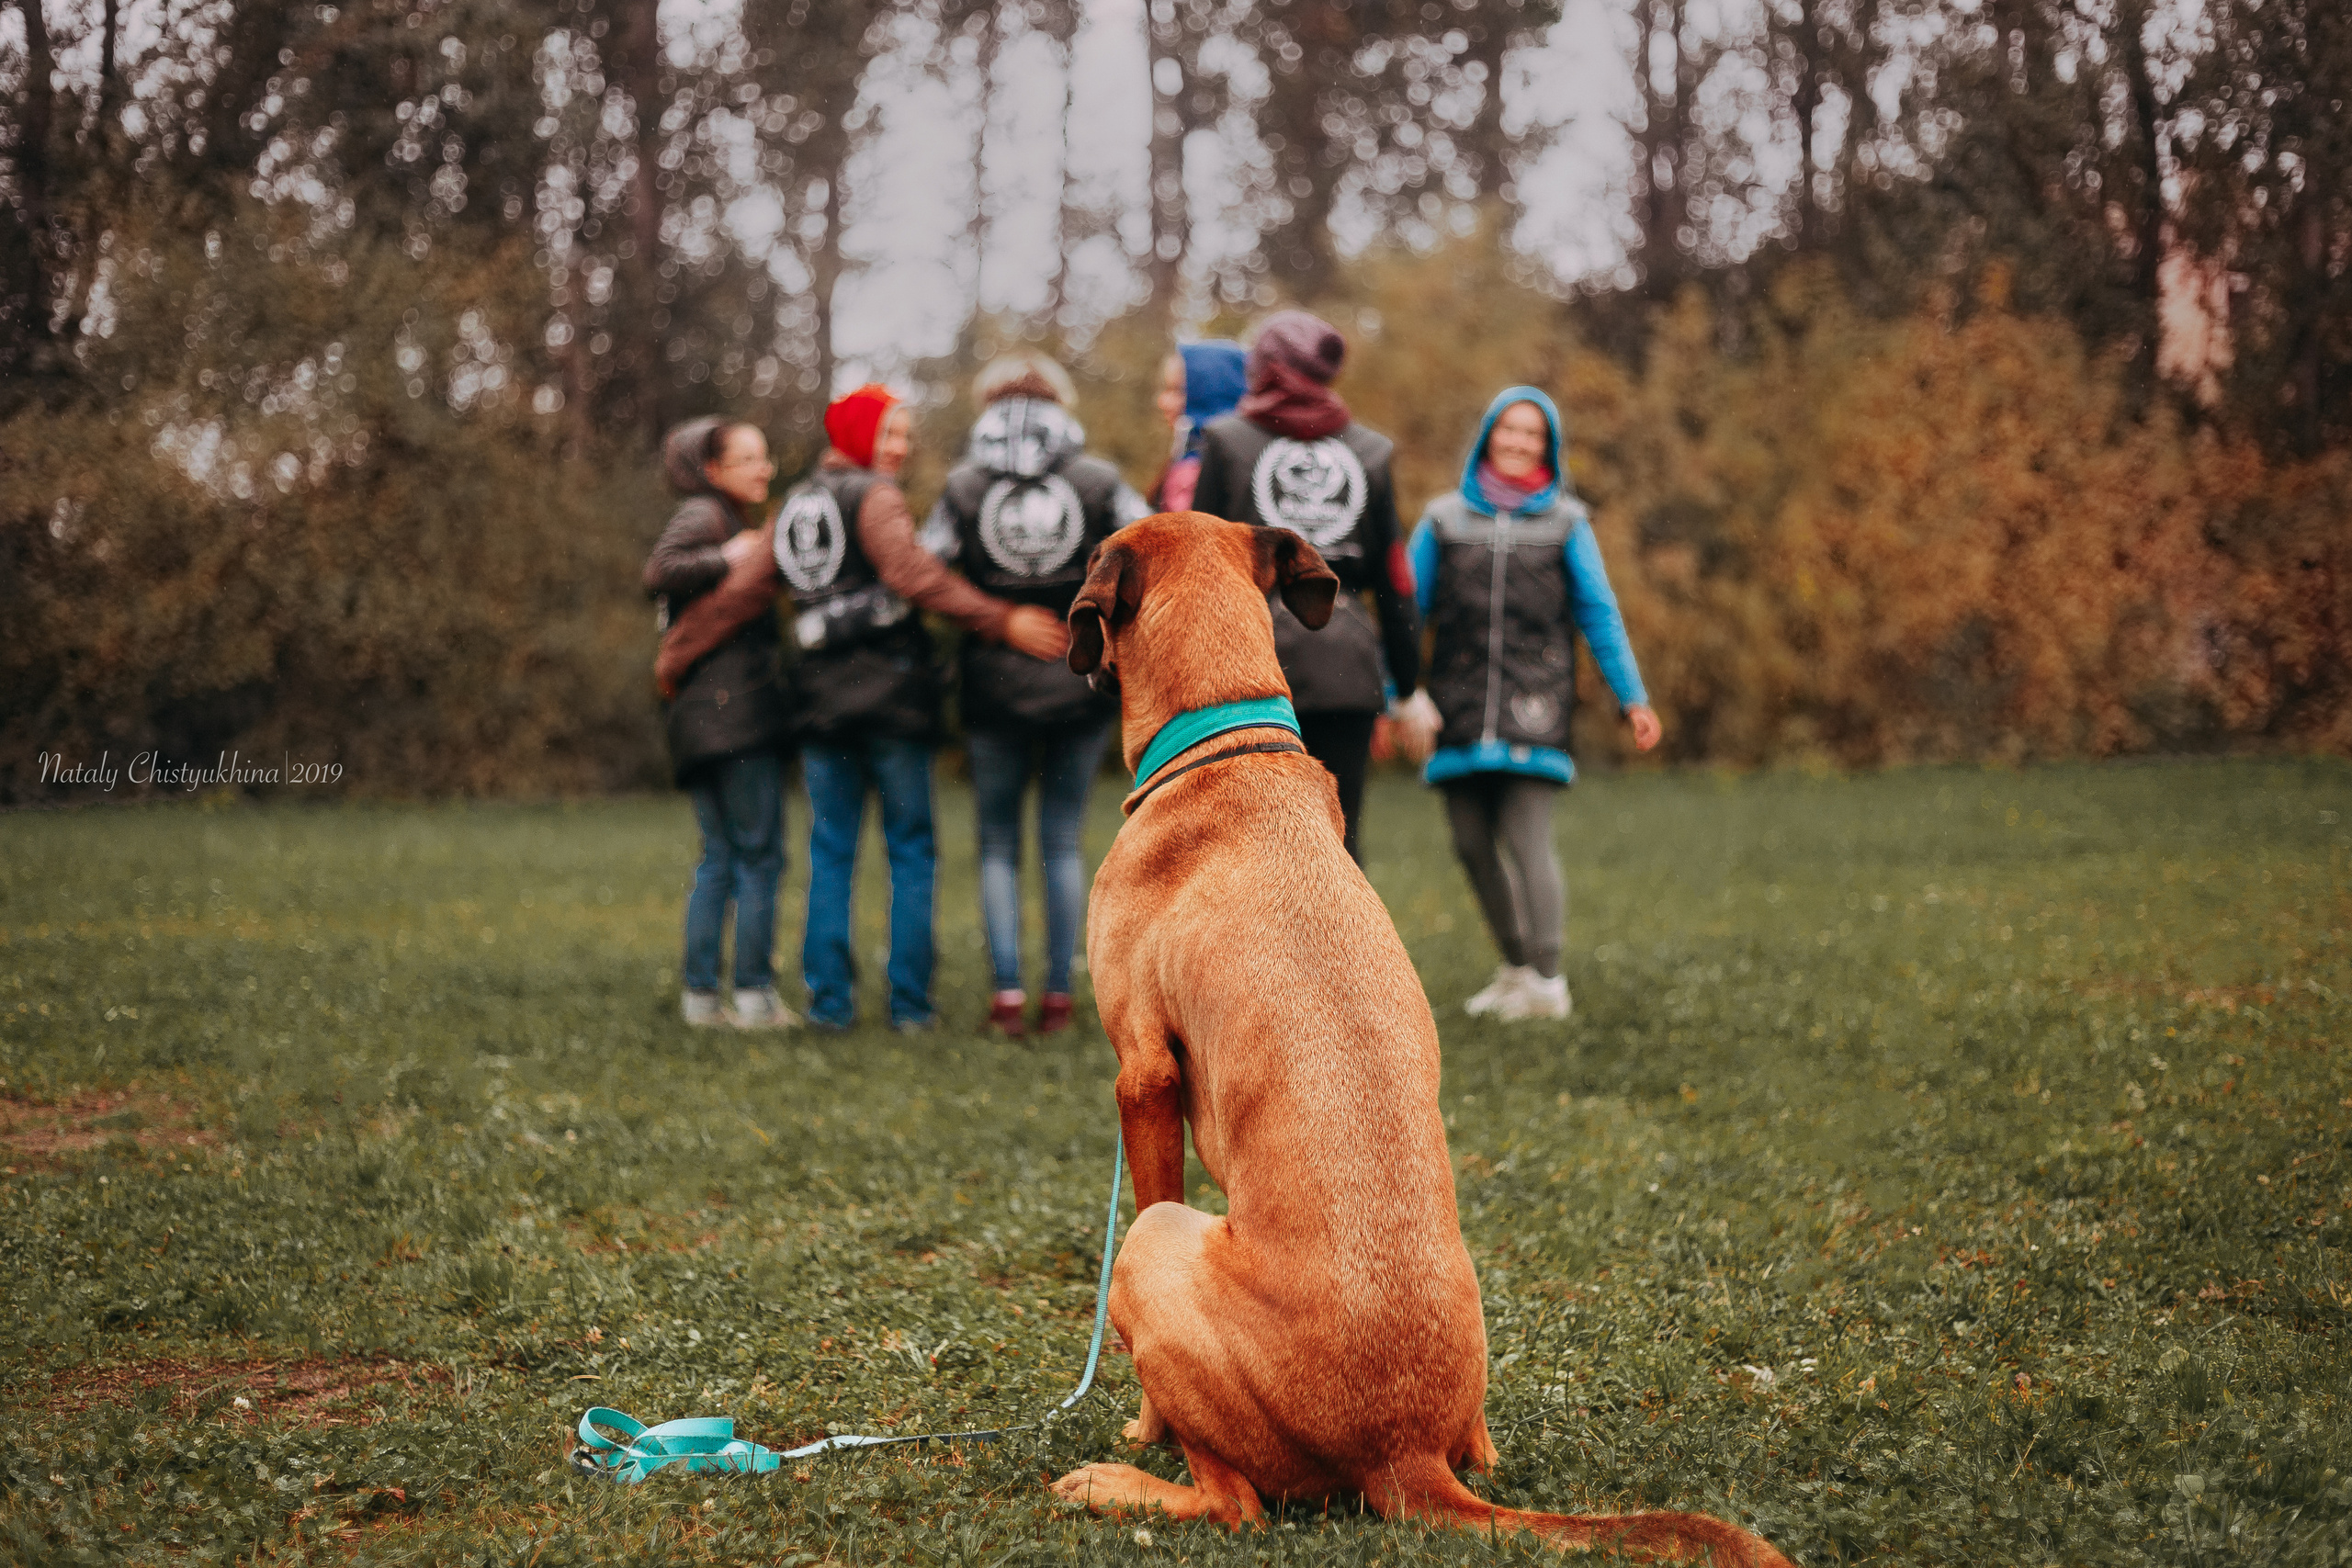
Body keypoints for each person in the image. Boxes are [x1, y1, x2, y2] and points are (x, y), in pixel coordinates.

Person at [776, 383, 1069, 1032]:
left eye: (903, 434)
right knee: (910, 847)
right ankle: (909, 1005)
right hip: (888, 699)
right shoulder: (873, 495)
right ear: (856, 437)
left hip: (818, 699)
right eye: (889, 434)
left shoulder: (798, 502)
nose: (901, 448)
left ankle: (829, 1004)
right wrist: (1001, 618)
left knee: (830, 850)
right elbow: (913, 576)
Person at [1391, 388, 1663, 1021]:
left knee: (1526, 837)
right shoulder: (1442, 519)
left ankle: (1548, 978)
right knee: (1468, 842)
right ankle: (1516, 968)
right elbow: (1407, 612)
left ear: (1548, 447)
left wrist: (1633, 697)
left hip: (1535, 704)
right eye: (1508, 430)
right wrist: (1394, 696)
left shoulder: (1567, 522)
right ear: (1488, 435)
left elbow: (1599, 612)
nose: (1518, 443)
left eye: (1532, 435)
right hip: (1454, 706)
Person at [923, 354, 1149, 1036]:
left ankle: (1008, 996)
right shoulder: (1099, 479)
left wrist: (993, 612)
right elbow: (1148, 554)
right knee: (1061, 841)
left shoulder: (963, 484)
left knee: (996, 844)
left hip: (991, 683)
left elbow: (922, 570)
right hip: (1078, 683)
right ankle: (1059, 996)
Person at [1191, 310, 1420, 863]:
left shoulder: (1225, 443)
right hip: (1346, 661)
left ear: (1267, 367)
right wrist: (1407, 683)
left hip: (1248, 664)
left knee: (1251, 842)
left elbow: (1201, 568)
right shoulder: (1371, 452)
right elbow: (1395, 578)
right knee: (1340, 840)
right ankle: (1347, 953)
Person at [641, 417, 797, 1031]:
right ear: (712, 471)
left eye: (765, 456)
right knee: (757, 856)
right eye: (749, 459)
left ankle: (701, 998)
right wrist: (725, 555)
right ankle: (755, 996)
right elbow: (659, 570)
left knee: (722, 856)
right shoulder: (708, 515)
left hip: (698, 715)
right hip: (733, 713)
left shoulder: (721, 513)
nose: (765, 468)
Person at [1149, 340, 1248, 513]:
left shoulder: (1210, 470)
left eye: (1177, 390)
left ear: (1209, 394)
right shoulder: (1185, 454)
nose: (1162, 402)